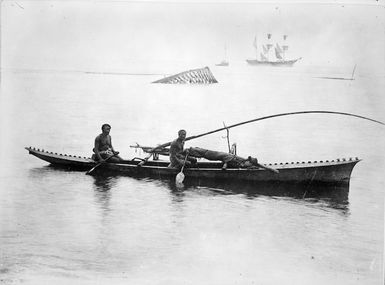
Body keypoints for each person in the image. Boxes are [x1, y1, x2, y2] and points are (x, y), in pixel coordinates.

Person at [187, 147, 279, 173]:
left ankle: (190, 153)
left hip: (225, 156)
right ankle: (190, 151)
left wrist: (272, 169)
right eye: (249, 164)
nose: (249, 166)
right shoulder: (241, 160)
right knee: (207, 154)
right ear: (248, 161)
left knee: (206, 154)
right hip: (221, 155)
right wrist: (224, 167)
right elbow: (227, 161)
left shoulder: (248, 163)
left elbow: (260, 165)